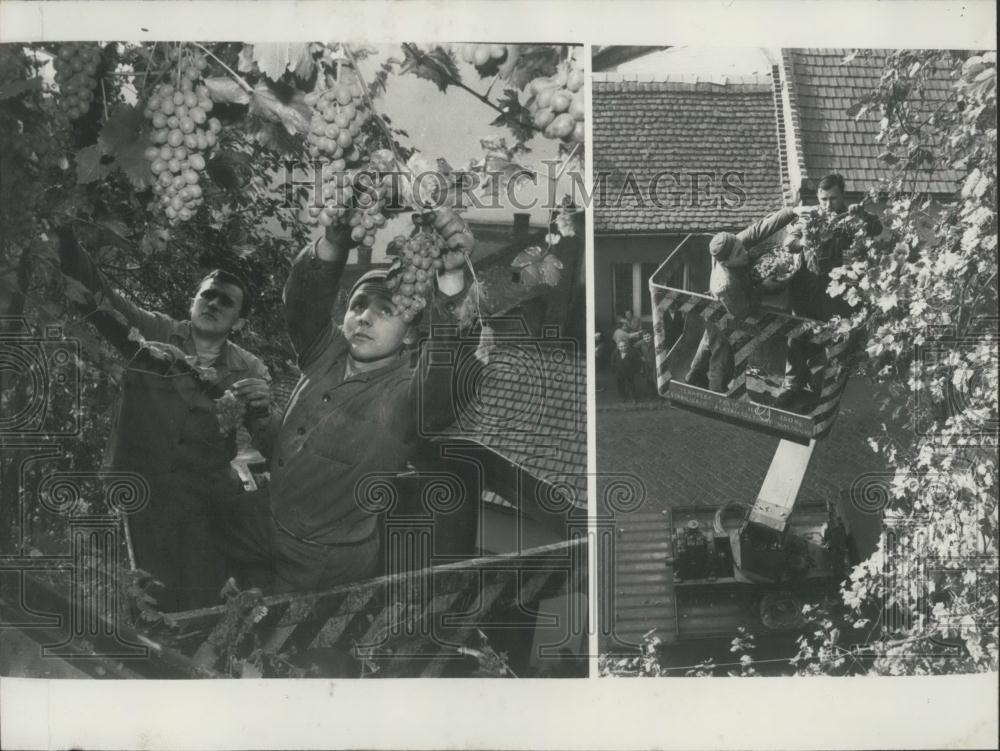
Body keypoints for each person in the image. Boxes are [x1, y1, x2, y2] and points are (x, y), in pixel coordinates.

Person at [222, 207, 489, 594]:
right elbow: (303, 303)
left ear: (412, 336)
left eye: (386, 311)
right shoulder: (326, 352)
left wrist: (451, 276)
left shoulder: (405, 397)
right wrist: (334, 241)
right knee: (226, 563)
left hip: (322, 559)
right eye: (358, 305)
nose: (364, 318)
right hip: (269, 518)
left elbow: (446, 380)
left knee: (282, 638)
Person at [57, 227, 272, 611]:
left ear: (238, 322)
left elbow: (270, 440)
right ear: (193, 303)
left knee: (197, 604)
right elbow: (103, 298)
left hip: (202, 504)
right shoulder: (153, 332)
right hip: (138, 491)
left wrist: (264, 406)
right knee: (129, 600)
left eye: (227, 301)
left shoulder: (249, 368)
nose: (214, 303)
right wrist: (66, 235)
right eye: (207, 294)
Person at [778, 173, 882, 409]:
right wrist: (802, 242)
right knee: (797, 337)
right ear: (818, 196)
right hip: (805, 288)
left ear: (842, 195)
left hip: (836, 294)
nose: (827, 205)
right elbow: (788, 243)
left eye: (833, 199)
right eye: (823, 199)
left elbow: (876, 228)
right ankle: (791, 385)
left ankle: (821, 387)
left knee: (832, 338)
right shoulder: (810, 216)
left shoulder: (850, 218)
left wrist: (863, 214)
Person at [685, 206, 809, 392]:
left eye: (741, 247)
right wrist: (763, 288)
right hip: (728, 308)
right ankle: (715, 394)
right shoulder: (726, 285)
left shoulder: (734, 244)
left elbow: (759, 229)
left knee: (708, 339)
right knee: (721, 352)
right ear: (725, 263)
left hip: (724, 301)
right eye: (739, 254)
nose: (745, 252)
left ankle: (693, 375)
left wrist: (792, 211)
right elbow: (743, 311)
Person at [612, 338, 642, 403]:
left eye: (624, 346)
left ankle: (633, 397)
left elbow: (636, 362)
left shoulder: (631, 353)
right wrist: (615, 369)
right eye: (621, 346)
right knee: (620, 385)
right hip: (619, 372)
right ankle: (623, 396)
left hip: (629, 372)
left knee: (631, 385)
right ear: (618, 347)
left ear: (627, 346)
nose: (623, 348)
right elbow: (613, 362)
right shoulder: (615, 353)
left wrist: (634, 370)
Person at [636, 329, 657, 397]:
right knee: (648, 378)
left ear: (651, 336)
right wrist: (640, 356)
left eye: (648, 336)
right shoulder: (641, 343)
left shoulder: (656, 341)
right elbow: (634, 348)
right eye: (645, 337)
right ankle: (652, 393)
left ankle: (657, 393)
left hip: (655, 363)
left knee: (655, 378)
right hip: (646, 364)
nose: (647, 338)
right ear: (643, 338)